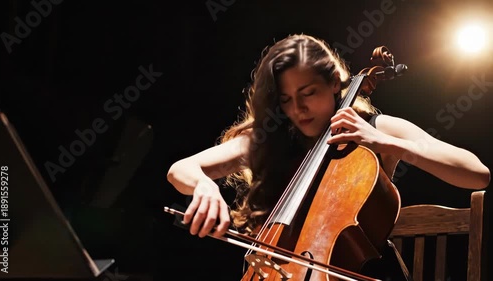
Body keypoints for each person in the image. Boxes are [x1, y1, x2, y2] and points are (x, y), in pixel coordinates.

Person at [166, 33, 490, 280]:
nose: (298, 109)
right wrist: (204, 187)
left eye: (308, 93)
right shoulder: (274, 141)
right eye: (287, 100)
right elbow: (182, 169)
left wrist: (386, 142)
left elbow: (476, 173)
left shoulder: (374, 128)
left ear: (335, 83)